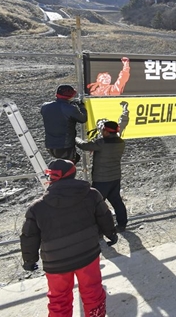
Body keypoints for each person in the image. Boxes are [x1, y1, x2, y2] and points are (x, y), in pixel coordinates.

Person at [20, 159, 117, 317]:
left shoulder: (37, 207)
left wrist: (29, 260)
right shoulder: (91, 194)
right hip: (88, 254)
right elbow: (104, 216)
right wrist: (111, 233)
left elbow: (29, 236)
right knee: (93, 292)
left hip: (56, 262)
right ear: (74, 174)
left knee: (59, 300)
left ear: (50, 178)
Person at [76, 121, 128, 232]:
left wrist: (75, 138)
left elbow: (84, 146)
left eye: (103, 130)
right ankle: (122, 224)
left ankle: (99, 230)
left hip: (101, 179)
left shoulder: (101, 143)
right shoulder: (121, 142)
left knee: (96, 205)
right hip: (115, 177)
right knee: (116, 201)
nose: (101, 131)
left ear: (107, 132)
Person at [40, 84, 88, 164]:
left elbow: (57, 114)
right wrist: (81, 107)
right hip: (65, 146)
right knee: (68, 167)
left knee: (63, 166)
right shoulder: (71, 109)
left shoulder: (45, 106)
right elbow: (83, 119)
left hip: (50, 145)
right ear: (70, 96)